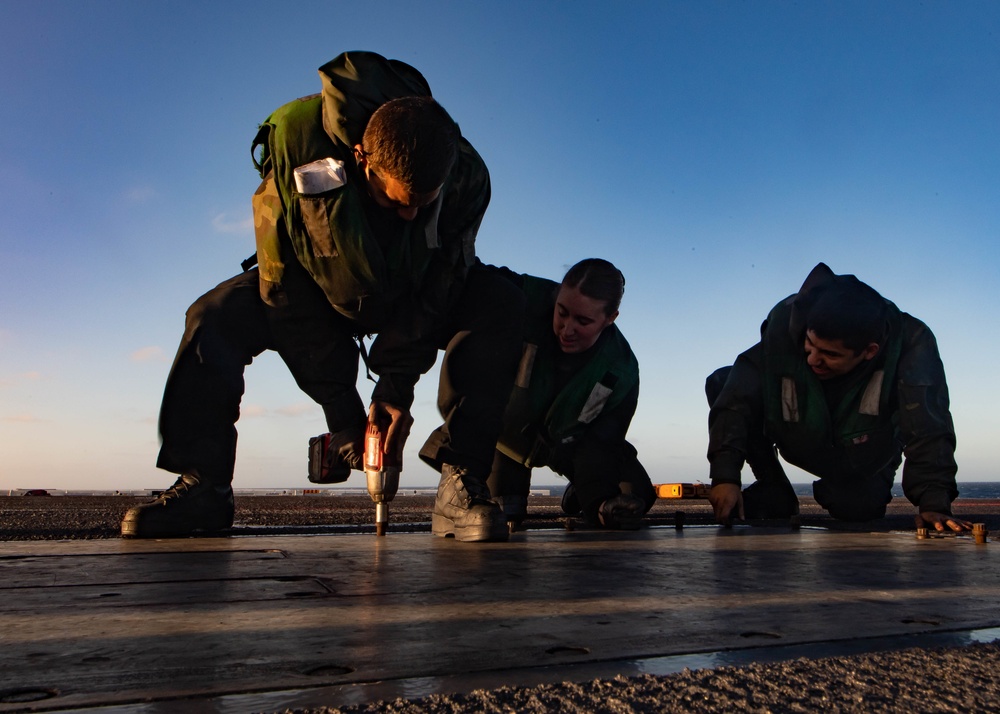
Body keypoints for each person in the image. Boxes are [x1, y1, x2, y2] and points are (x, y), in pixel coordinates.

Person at [122, 51, 522, 542]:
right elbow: (281, 284)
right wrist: (342, 411)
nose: (410, 218)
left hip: (409, 292)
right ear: (361, 160)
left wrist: (394, 388)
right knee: (214, 316)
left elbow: (443, 286)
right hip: (311, 288)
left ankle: (461, 483)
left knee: (500, 302)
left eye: (424, 205)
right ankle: (205, 485)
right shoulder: (294, 139)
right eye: (395, 202)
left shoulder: (468, 175)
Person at [705, 262, 971, 532]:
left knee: (857, 508)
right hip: (800, 436)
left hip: (864, 452)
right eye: (809, 345)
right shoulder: (784, 328)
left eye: (830, 355)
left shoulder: (912, 343)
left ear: (869, 351)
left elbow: (928, 423)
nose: (813, 360)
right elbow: (736, 399)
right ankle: (773, 487)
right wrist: (725, 476)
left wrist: (934, 502)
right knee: (723, 381)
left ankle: (861, 486)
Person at [486, 259, 656, 530]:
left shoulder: (621, 370)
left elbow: (602, 442)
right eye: (562, 312)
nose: (567, 330)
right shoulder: (522, 296)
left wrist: (600, 502)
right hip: (504, 437)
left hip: (573, 444)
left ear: (610, 319)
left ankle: (582, 492)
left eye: (583, 321)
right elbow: (466, 274)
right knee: (503, 517)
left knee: (633, 500)